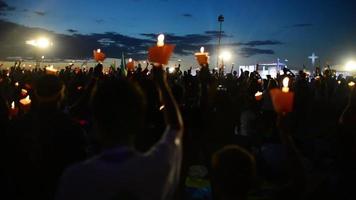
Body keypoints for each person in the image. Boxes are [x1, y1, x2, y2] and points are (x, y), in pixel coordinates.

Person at [55, 66, 184, 200]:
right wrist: (162, 83)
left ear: (96, 123)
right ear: (139, 121)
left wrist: (94, 79)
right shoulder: (157, 168)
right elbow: (175, 127)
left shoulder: (75, 178)